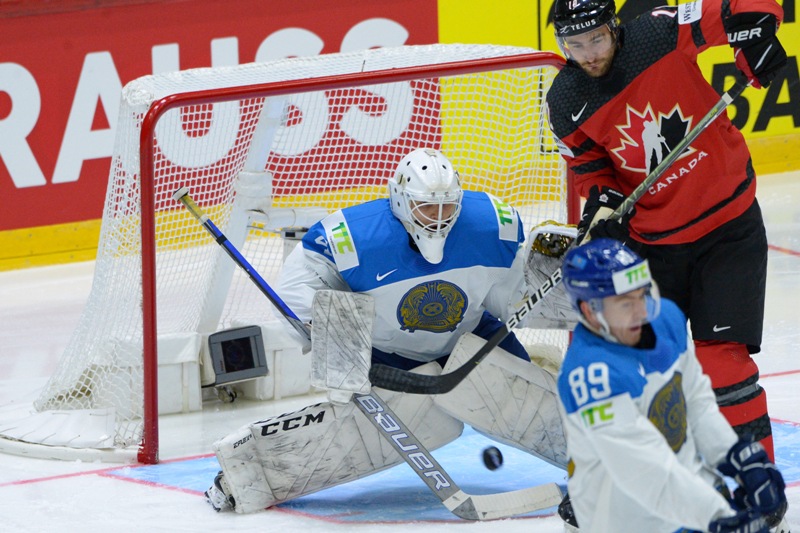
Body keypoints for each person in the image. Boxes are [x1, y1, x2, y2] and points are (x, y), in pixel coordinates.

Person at [203, 147, 569, 514]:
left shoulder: (492, 224)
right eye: (427, 207)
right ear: (400, 200)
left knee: (533, 407)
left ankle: (598, 462)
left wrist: (552, 276)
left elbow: (513, 294)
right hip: (389, 356)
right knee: (362, 434)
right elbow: (300, 283)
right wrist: (327, 330)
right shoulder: (353, 237)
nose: (438, 218)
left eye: (447, 207)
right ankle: (243, 476)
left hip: (472, 337)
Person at [546, 0, 787, 470]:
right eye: (575, 45)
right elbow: (589, 167)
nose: (589, 53)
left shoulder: (659, 33)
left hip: (728, 229)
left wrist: (756, 38)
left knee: (722, 364)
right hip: (653, 246)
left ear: (614, 27)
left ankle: (758, 481)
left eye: (596, 38)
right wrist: (603, 200)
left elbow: (747, 7)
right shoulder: (565, 100)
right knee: (622, 362)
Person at [556, 238, 787, 533]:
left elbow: (695, 402)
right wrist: (718, 517)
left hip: (685, 500)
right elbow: (645, 472)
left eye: (641, 295)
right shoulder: (590, 377)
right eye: (625, 303)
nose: (641, 311)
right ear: (590, 311)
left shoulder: (665, 320)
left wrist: (734, 455)